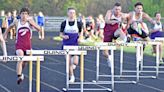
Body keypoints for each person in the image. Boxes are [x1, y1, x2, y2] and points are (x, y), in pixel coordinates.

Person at [4, 7, 42, 85]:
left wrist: (33, 24)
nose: (24, 16)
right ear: (20, 14)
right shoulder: (17, 22)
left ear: (28, 15)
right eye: (22, 14)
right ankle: (19, 76)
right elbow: (9, 27)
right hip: (19, 45)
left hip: (28, 46)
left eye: (26, 14)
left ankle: (21, 73)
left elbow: (39, 29)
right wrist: (5, 35)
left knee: (24, 62)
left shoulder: (30, 21)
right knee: (20, 57)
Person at [60, 7, 82, 83]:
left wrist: (80, 38)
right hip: (66, 45)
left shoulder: (78, 23)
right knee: (68, 62)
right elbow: (60, 34)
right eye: (70, 12)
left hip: (75, 44)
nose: (72, 14)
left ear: (75, 14)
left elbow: (81, 32)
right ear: (68, 13)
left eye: (73, 13)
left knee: (75, 62)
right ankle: (72, 77)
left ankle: (72, 67)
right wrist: (64, 36)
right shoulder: (64, 23)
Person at [103, 2, 128, 67]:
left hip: (115, 32)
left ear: (121, 10)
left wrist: (125, 19)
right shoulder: (110, 12)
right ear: (113, 9)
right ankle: (109, 58)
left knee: (120, 31)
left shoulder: (121, 15)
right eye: (116, 9)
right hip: (107, 33)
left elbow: (126, 21)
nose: (117, 11)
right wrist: (117, 21)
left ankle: (125, 40)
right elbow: (106, 20)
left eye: (119, 10)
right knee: (105, 53)